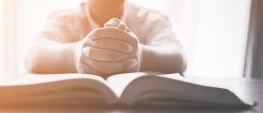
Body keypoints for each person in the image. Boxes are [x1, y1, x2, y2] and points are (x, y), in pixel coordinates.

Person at [24, 0, 187, 77]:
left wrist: (139, 56)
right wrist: (77, 54)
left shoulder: (151, 19)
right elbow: (33, 55)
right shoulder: (64, 19)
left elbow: (178, 58)